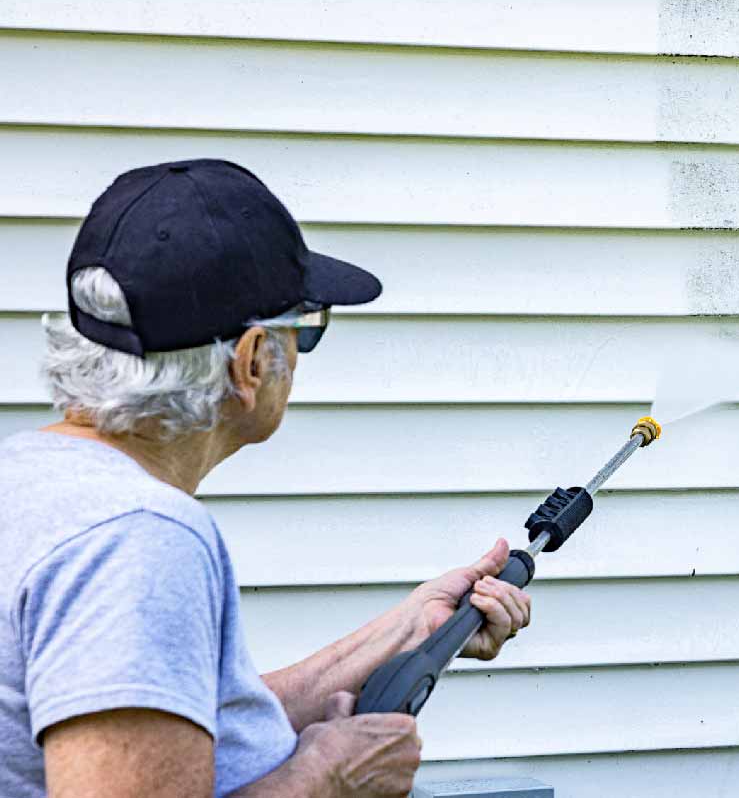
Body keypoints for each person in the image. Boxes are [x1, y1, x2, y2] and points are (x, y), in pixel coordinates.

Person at [0, 160, 533, 797]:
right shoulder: (139, 540)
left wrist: (411, 626)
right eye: (303, 332)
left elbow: (188, 736)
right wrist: (331, 778)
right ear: (251, 362)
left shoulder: (29, 479)